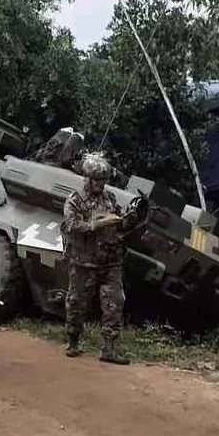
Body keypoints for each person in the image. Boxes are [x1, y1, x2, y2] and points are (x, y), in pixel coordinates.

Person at [60, 152, 141, 365]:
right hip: (83, 261)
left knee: (114, 302)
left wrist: (129, 220)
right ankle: (74, 340)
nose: (99, 184)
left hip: (110, 261)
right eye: (96, 180)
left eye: (103, 180)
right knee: (77, 302)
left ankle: (109, 348)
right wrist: (96, 224)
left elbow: (120, 226)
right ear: (86, 179)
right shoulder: (75, 200)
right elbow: (70, 226)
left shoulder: (110, 199)